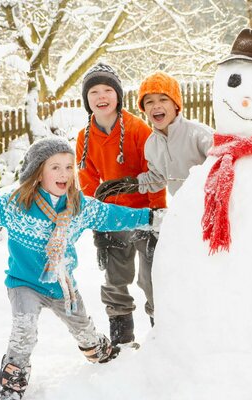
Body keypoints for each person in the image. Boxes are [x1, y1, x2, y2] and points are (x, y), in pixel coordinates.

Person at [0, 137, 164, 400]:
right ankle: (12, 383)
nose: (64, 173)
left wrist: (150, 217)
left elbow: (112, 215)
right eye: (55, 167)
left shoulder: (79, 206)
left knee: (83, 330)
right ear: (38, 172)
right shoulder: (16, 205)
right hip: (24, 282)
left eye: (68, 167)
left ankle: (98, 350)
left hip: (61, 284)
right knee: (23, 329)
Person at [76, 63, 166, 347]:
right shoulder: (85, 137)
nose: (101, 97)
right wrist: (97, 218)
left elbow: (154, 173)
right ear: (86, 99)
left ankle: (160, 333)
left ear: (117, 95)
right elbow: (87, 179)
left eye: (107, 90)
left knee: (152, 277)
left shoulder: (139, 129)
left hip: (143, 214)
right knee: (116, 277)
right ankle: (122, 336)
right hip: (112, 217)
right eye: (93, 92)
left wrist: (157, 214)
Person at [134, 71, 214, 196]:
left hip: (210, 206)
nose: (156, 106)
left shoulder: (199, 134)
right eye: (149, 102)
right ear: (144, 109)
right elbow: (158, 178)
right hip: (181, 208)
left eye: (163, 99)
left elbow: (223, 165)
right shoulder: (151, 145)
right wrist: (133, 184)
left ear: (176, 105)